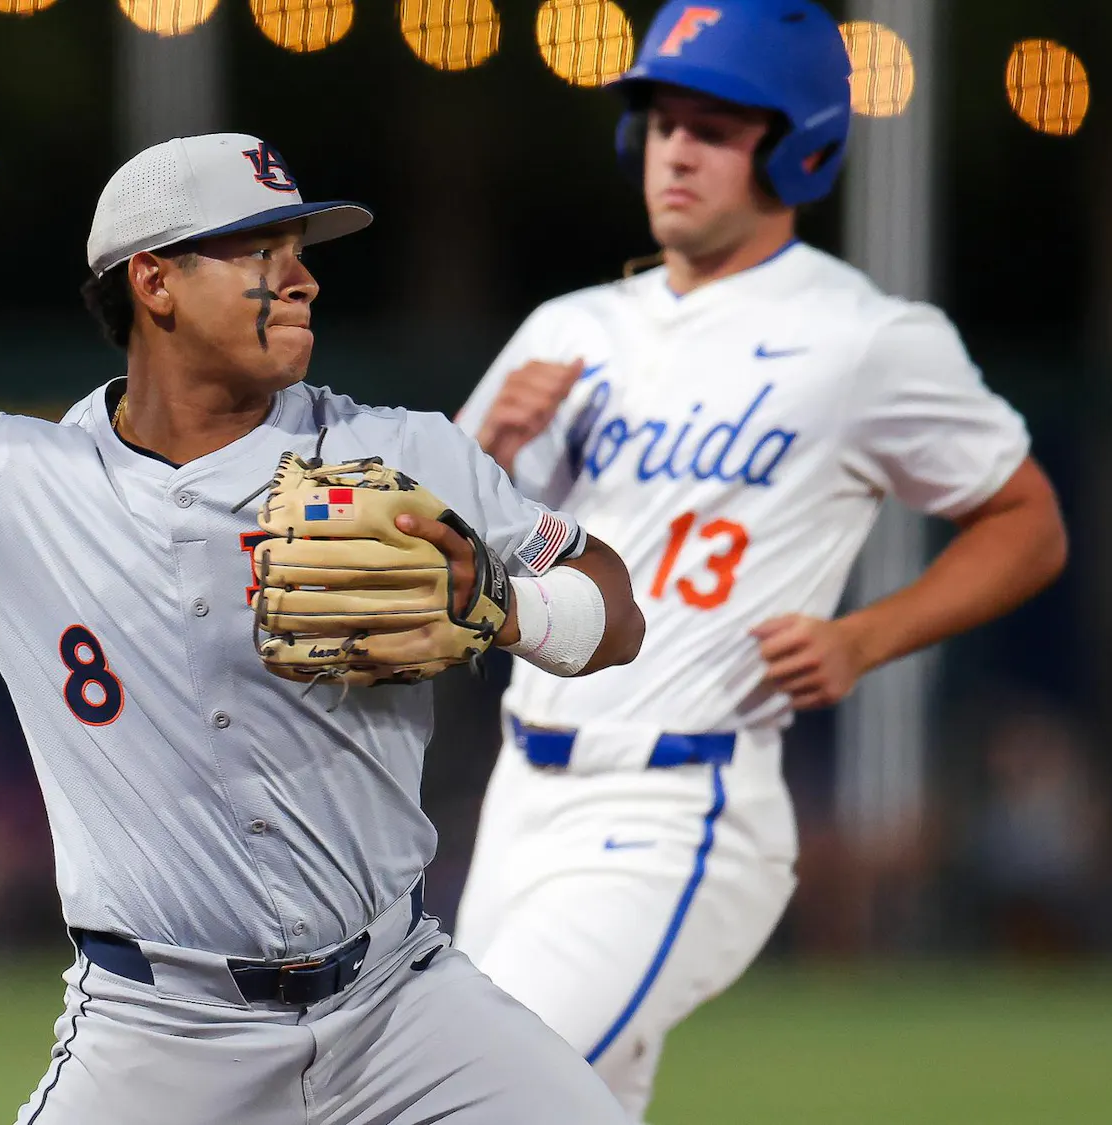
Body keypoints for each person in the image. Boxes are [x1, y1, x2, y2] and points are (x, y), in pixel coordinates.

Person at [0, 133, 645, 1125]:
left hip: (403, 1011)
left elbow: (615, 607)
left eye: (301, 251)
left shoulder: (396, 451)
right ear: (155, 282)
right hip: (157, 1037)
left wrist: (510, 610)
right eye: (261, 254)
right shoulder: (16, 484)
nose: (301, 282)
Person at [450, 2, 1069, 1119]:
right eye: (661, 118)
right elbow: (451, 557)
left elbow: (1028, 521)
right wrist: (488, 453)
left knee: (461, 1091)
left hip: (680, 802)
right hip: (520, 791)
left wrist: (865, 638)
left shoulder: (865, 338)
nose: (676, 148)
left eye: (717, 125)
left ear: (800, 145)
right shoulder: (568, 327)